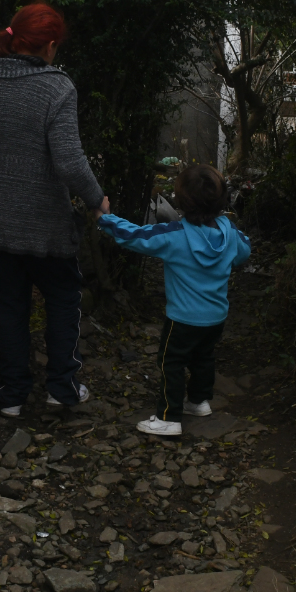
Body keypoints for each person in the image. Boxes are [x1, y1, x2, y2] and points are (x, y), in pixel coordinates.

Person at [0, 3, 107, 417]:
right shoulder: (57, 88)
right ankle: (62, 389)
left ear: (12, 37)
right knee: (62, 299)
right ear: (50, 46)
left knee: (9, 306)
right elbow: (69, 161)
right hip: (46, 227)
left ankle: (13, 396)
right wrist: (96, 200)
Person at [97, 164, 250, 436]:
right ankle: (199, 401)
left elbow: (136, 236)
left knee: (172, 362)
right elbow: (243, 253)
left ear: (182, 201)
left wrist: (105, 219)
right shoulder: (230, 233)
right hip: (215, 317)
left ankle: (168, 416)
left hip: (182, 319)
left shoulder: (174, 235)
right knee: (204, 357)